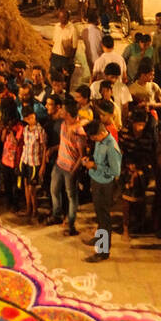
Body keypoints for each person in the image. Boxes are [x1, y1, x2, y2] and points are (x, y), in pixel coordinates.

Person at [83, 115, 122, 261]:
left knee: (104, 217)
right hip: (96, 180)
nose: (92, 140)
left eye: (93, 137)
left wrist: (95, 166)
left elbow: (115, 171)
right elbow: (97, 159)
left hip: (105, 185)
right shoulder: (100, 142)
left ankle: (103, 251)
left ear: (100, 133)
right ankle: (99, 238)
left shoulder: (111, 146)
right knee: (99, 214)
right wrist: (90, 161)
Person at [50, 97, 88, 236]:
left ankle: (71, 224)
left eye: (63, 111)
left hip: (70, 168)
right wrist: (54, 149)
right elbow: (64, 143)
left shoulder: (79, 131)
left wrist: (74, 171)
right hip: (59, 163)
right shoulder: (64, 124)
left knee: (72, 196)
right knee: (54, 190)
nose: (61, 111)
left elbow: (81, 155)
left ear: (68, 114)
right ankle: (57, 215)